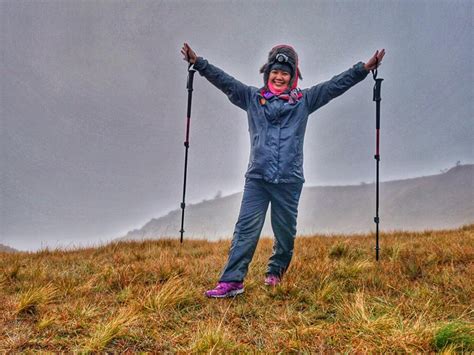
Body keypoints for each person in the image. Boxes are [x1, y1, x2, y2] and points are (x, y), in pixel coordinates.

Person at [181, 42, 385, 298]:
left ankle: (275, 270)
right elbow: (226, 82)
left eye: (285, 73)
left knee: (285, 233)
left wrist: (363, 69)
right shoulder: (252, 98)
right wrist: (199, 63)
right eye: (275, 72)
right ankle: (232, 281)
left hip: (289, 180)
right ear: (268, 73)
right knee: (246, 229)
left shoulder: (304, 101)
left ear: (292, 77)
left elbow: (334, 86)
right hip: (258, 178)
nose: (279, 77)